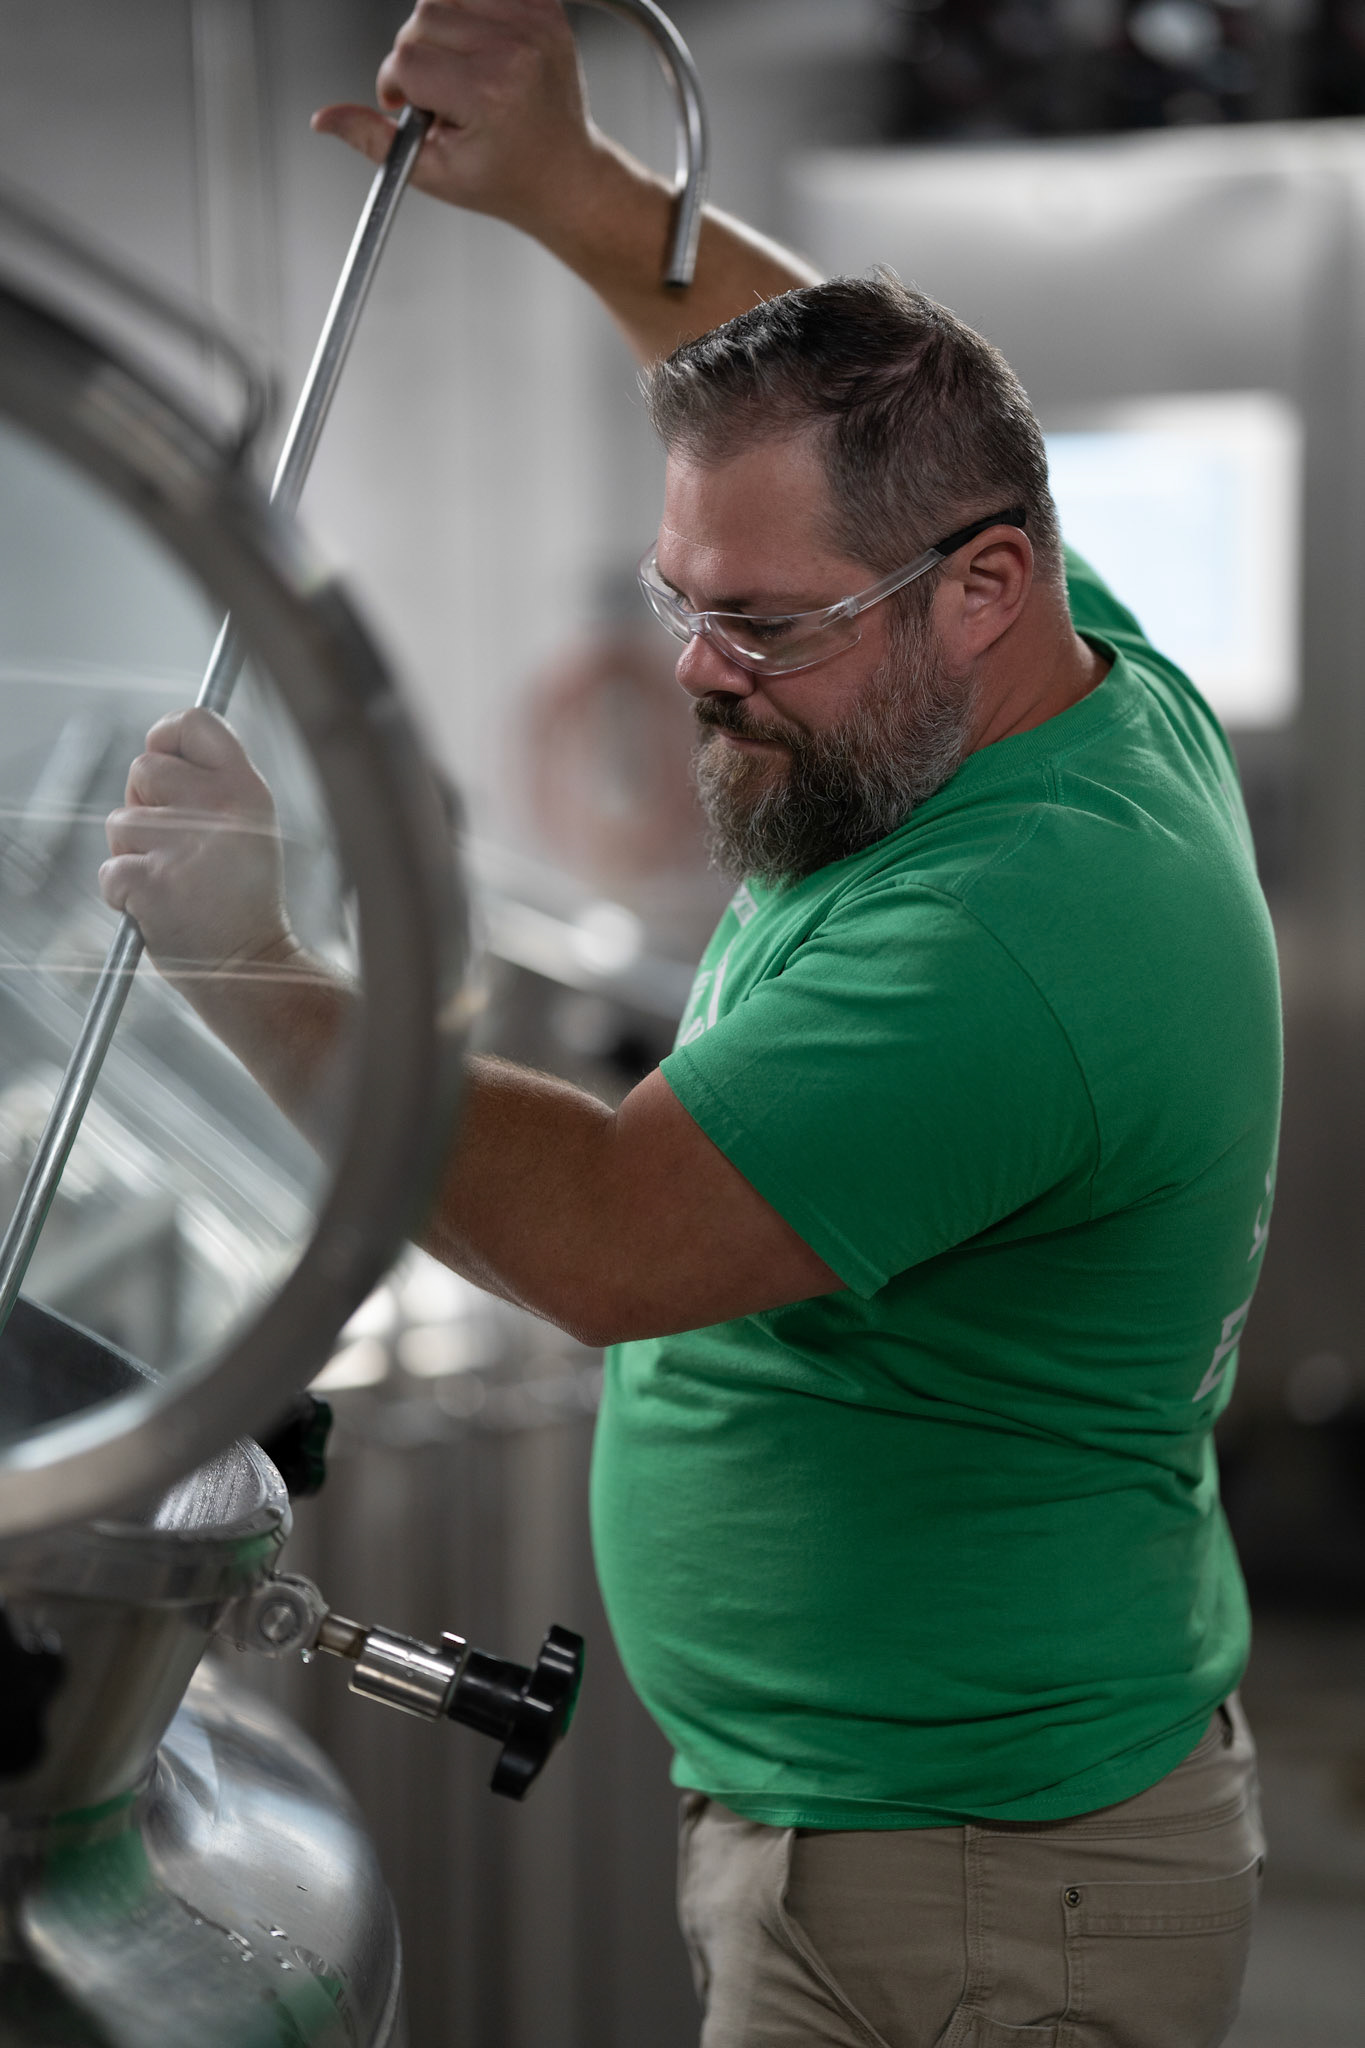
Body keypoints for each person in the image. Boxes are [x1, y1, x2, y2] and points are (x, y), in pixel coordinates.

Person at [100, 5, 1280, 2043]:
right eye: (683, 600)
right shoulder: (1059, 670)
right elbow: (836, 368)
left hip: (979, 1889)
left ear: (980, 587)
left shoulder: (1012, 930)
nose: (697, 671)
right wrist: (576, 188)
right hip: (892, 1830)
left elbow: (606, 1235)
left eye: (760, 624)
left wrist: (250, 967)